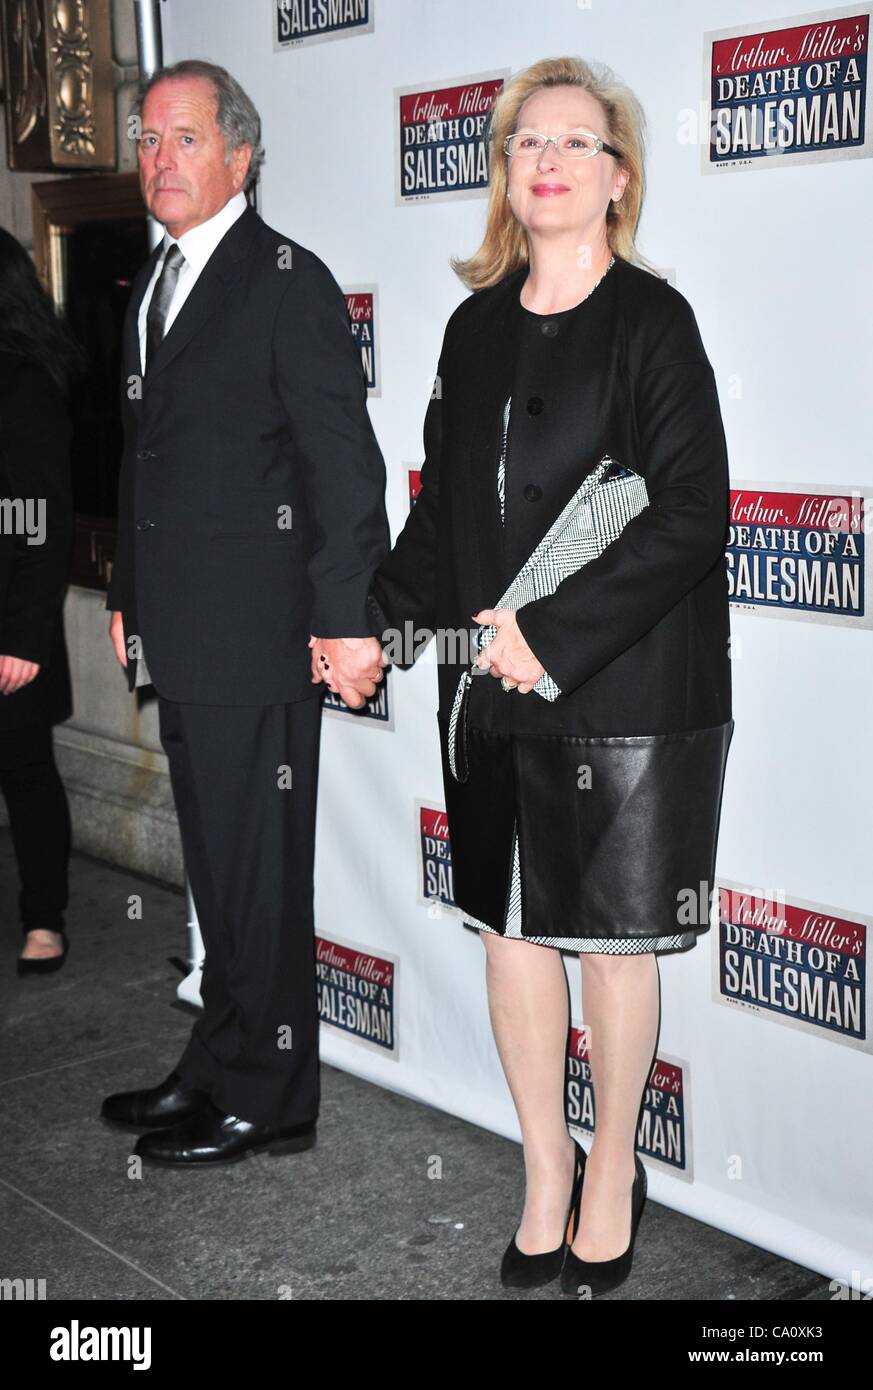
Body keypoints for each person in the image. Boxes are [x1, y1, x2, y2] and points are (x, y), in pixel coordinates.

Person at [359, 57, 734, 1296]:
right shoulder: (471, 331)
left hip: (622, 699)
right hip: (487, 701)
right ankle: (543, 1169)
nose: (550, 160)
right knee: (512, 939)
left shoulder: (653, 324)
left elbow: (690, 517)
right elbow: (441, 519)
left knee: (612, 951)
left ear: (618, 178)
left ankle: (613, 1169)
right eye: (528, 142)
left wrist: (553, 632)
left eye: (578, 143)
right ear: (507, 176)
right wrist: (379, 620)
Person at [101, 60, 388, 1164]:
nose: (159, 158)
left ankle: (270, 1096)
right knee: (218, 872)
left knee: (259, 874)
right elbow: (145, 461)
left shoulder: (286, 281)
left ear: (241, 155)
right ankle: (215, 1058)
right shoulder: (148, 286)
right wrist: (129, 586)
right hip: (181, 630)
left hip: (263, 638)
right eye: (147, 139)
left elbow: (341, 467)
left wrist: (346, 615)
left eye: (183, 137)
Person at [0, 228, 80, 976]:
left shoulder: (24, 382)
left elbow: (38, 518)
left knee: (24, 769)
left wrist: (23, 637)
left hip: (8, 623)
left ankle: (45, 919)